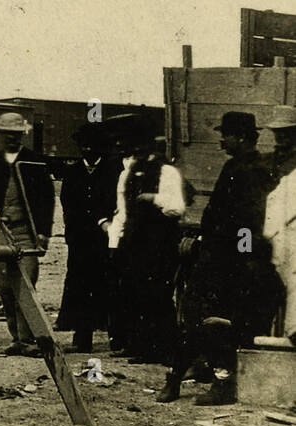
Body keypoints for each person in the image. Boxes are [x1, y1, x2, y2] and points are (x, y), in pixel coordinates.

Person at [159, 111, 279, 405]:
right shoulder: (233, 165)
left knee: (218, 320)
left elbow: (251, 222)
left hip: (230, 262)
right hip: (215, 256)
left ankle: (222, 383)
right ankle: (178, 377)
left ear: (241, 137)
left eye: (226, 135)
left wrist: (241, 257)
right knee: (192, 313)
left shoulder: (254, 170)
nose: (222, 140)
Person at [102, 114, 184, 369]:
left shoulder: (167, 172)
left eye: (140, 146)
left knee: (158, 294)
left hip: (160, 243)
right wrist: (116, 241)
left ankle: (166, 349)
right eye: (132, 146)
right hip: (135, 242)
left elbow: (177, 207)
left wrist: (153, 198)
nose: (136, 151)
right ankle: (142, 346)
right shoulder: (127, 174)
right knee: (135, 294)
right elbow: (122, 211)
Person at [0, 111, 55, 357]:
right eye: (6, 134)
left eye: (15, 134)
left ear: (22, 135)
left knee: (26, 284)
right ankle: (16, 339)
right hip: (0, 233)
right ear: (0, 135)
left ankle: (29, 338)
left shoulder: (35, 162)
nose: (11, 138)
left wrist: (44, 233)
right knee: (5, 287)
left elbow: (46, 200)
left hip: (26, 232)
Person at [56, 122, 122, 353]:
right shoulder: (72, 172)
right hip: (81, 240)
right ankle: (82, 338)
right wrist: (72, 232)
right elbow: (67, 204)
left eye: (93, 146)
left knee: (109, 284)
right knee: (79, 285)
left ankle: (116, 338)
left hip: (105, 238)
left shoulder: (113, 171)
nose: (88, 150)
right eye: (84, 146)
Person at [262, 106, 296, 347]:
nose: (280, 138)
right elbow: (246, 216)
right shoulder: (263, 164)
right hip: (260, 242)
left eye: (286, 133)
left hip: (286, 241)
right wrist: (245, 248)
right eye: (277, 133)